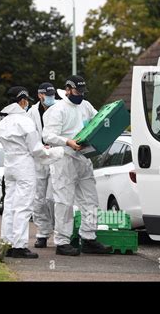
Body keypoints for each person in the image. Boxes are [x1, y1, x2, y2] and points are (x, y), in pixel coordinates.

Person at [42, 75, 112, 256]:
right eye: (77, 91)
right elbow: (48, 136)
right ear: (67, 89)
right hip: (64, 160)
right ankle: (62, 242)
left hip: (83, 158)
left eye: (82, 91)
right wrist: (68, 142)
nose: (80, 94)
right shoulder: (58, 109)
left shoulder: (85, 105)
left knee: (90, 200)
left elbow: (99, 120)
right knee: (64, 202)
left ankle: (89, 237)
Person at [0, 86, 63, 258]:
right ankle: (19, 247)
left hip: (9, 167)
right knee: (23, 207)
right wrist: (54, 152)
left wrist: (40, 149)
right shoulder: (26, 121)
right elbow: (36, 150)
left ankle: (7, 243)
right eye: (26, 100)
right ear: (22, 100)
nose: (27, 104)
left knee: (10, 206)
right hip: (24, 168)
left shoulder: (3, 122)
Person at [27, 82, 56, 248]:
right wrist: (39, 146)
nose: (51, 98)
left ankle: (60, 231)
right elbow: (30, 135)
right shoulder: (31, 113)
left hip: (56, 157)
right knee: (38, 200)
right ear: (40, 95)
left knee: (53, 198)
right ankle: (42, 233)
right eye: (48, 95)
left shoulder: (60, 108)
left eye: (52, 94)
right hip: (39, 159)